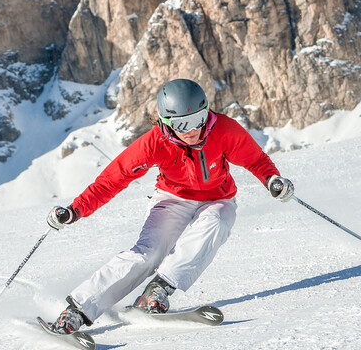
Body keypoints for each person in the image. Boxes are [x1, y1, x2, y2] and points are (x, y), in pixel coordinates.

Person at [43, 78, 295, 333]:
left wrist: (272, 180)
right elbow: (112, 179)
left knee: (218, 221)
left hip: (218, 198)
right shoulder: (154, 142)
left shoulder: (224, 130)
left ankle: (158, 289)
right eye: (181, 124)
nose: (192, 130)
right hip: (173, 198)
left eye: (198, 119)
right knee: (148, 254)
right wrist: (75, 210)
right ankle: (77, 311)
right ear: (165, 122)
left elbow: (256, 160)